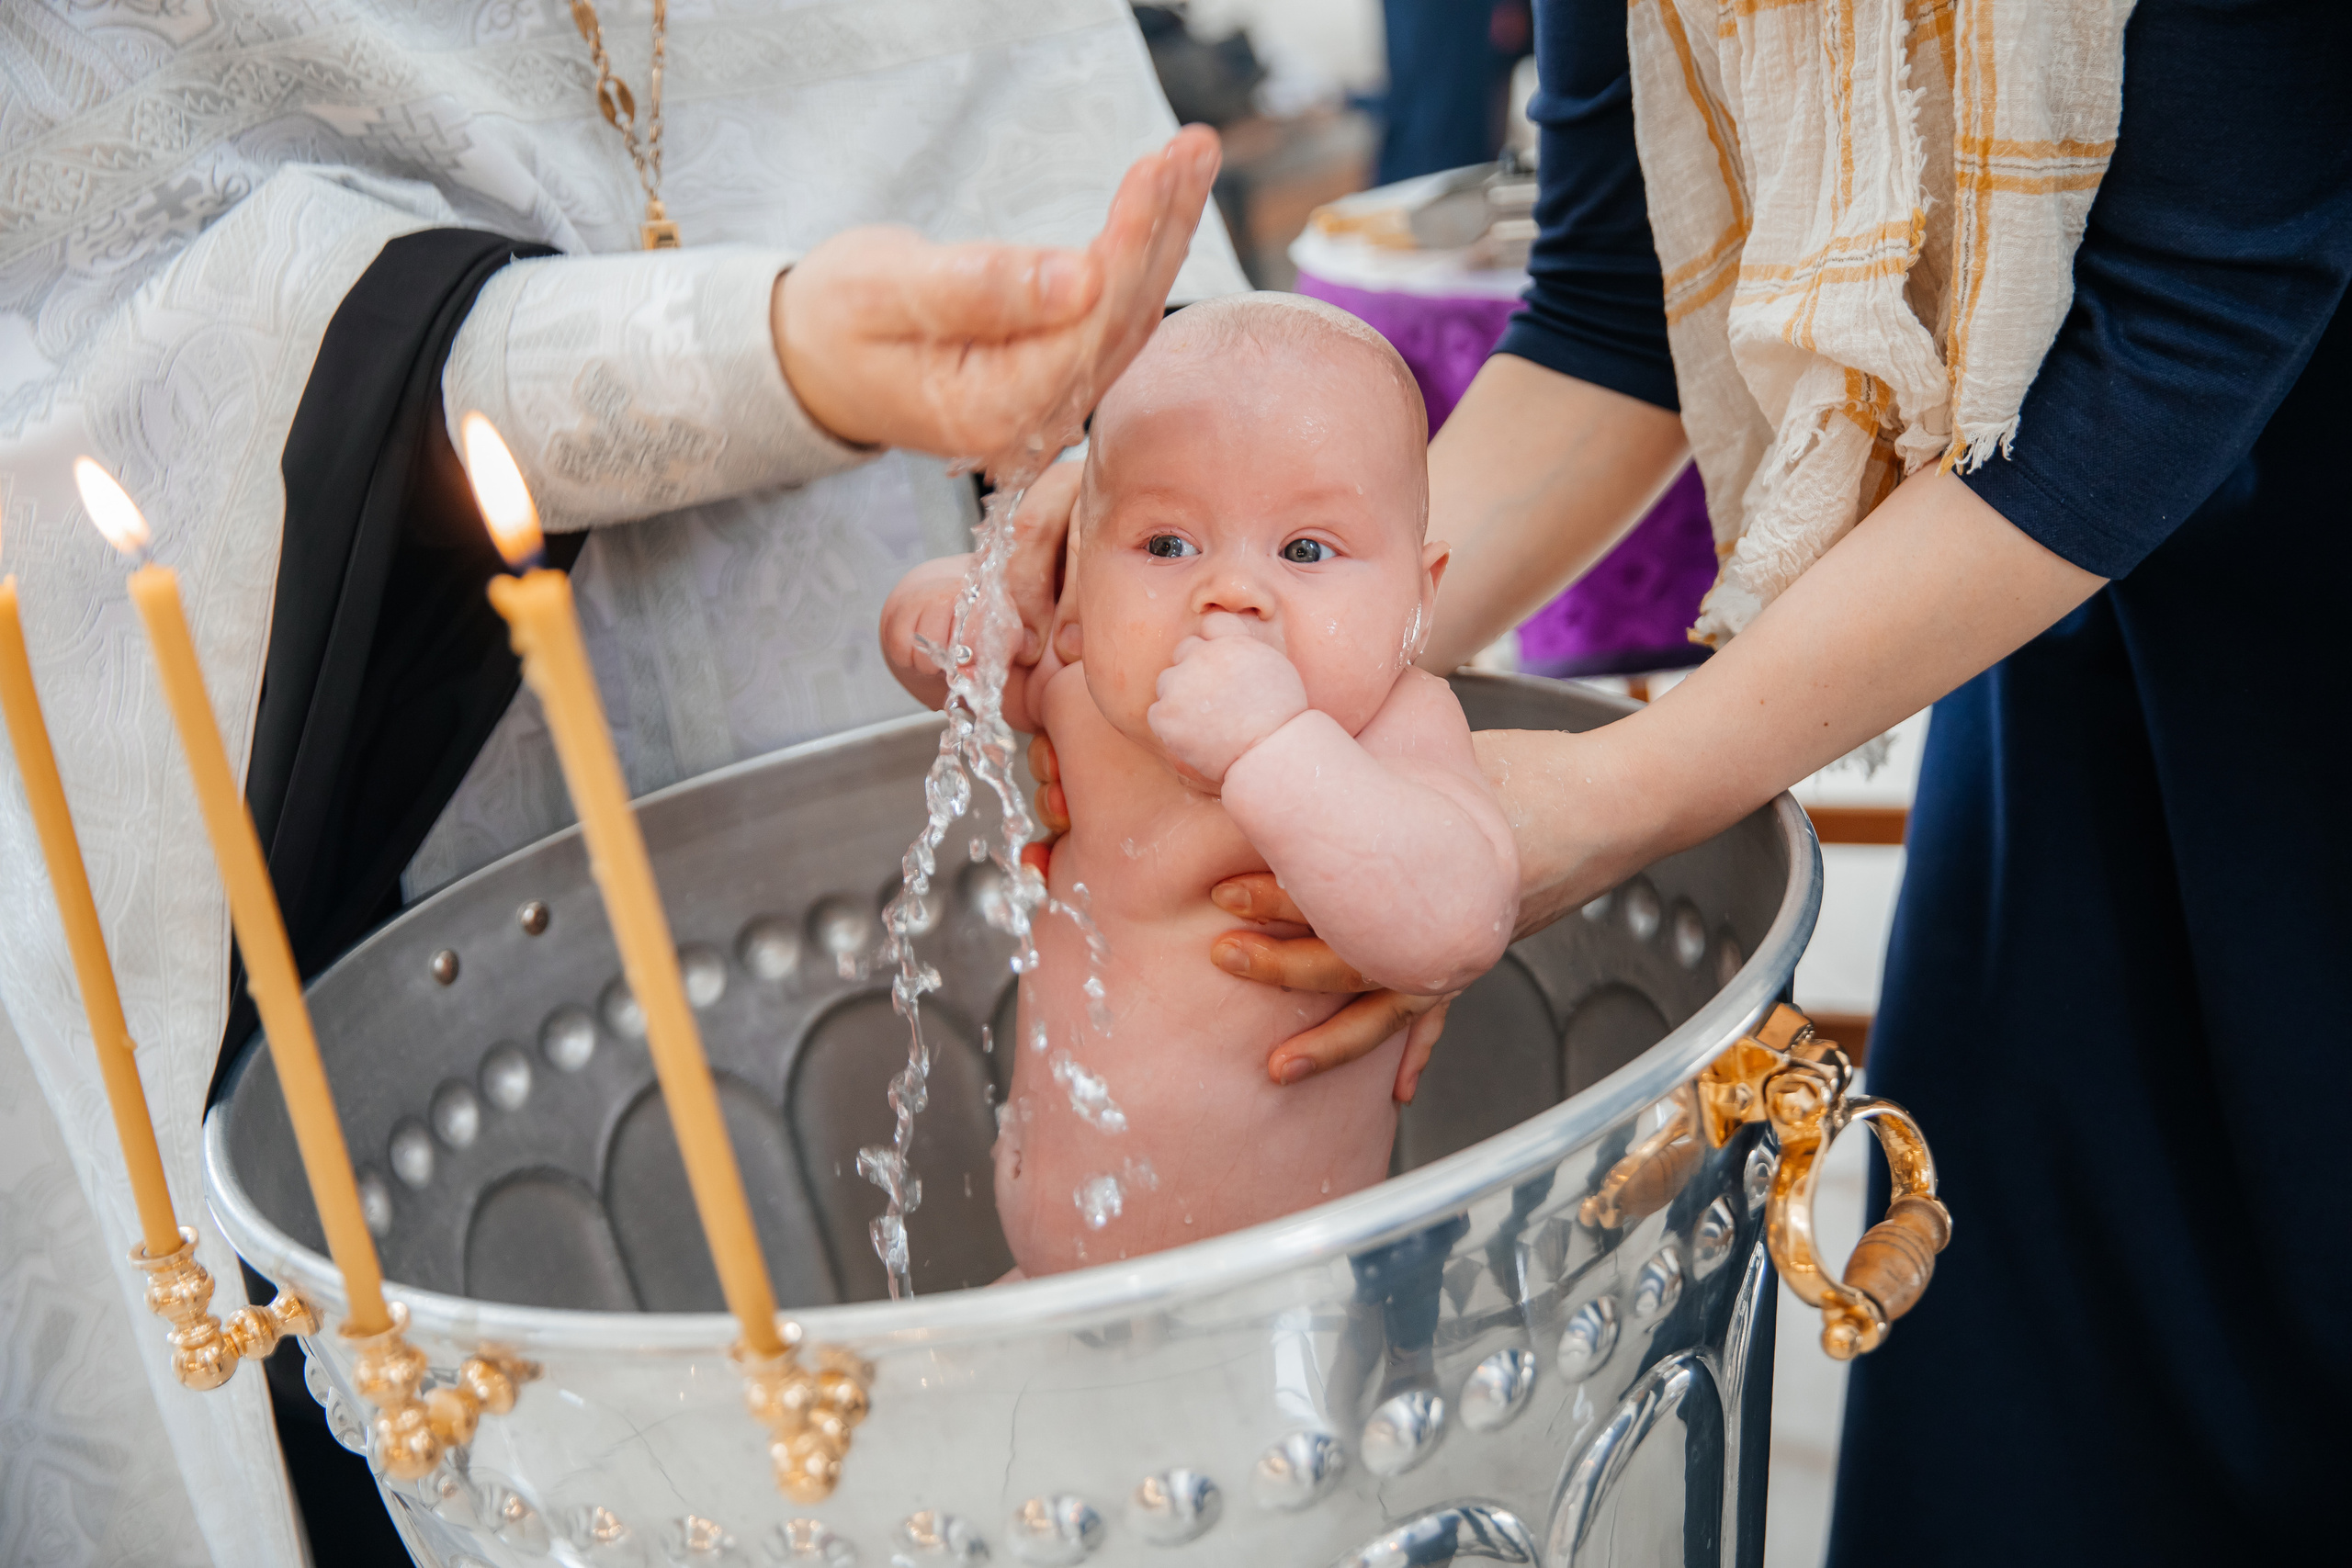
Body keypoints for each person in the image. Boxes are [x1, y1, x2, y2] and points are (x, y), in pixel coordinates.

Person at [1021, 0, 2352, 1559]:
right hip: (2084, 632)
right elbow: (1610, 305)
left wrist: (1614, 792)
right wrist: (1234, 608)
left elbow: (2195, 308)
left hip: (2261, 593)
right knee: (2049, 1429)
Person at [0, 6, 1237, 1565]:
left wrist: (1131, 442)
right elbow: (75, 372)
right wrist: (738, 356)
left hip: (952, 737)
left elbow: (1060, 157)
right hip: (417, 885)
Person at [882, 294, 1515, 1276]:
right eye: (1167, 545)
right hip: (1050, 1285)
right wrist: (942, 618)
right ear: (1080, 581)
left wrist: (1271, 744)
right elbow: (939, 664)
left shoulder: (1395, 727)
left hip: (1280, 1307)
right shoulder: (1081, 682)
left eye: (1306, 550)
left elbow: (1456, 926)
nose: (1229, 592)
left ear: (1416, 600)